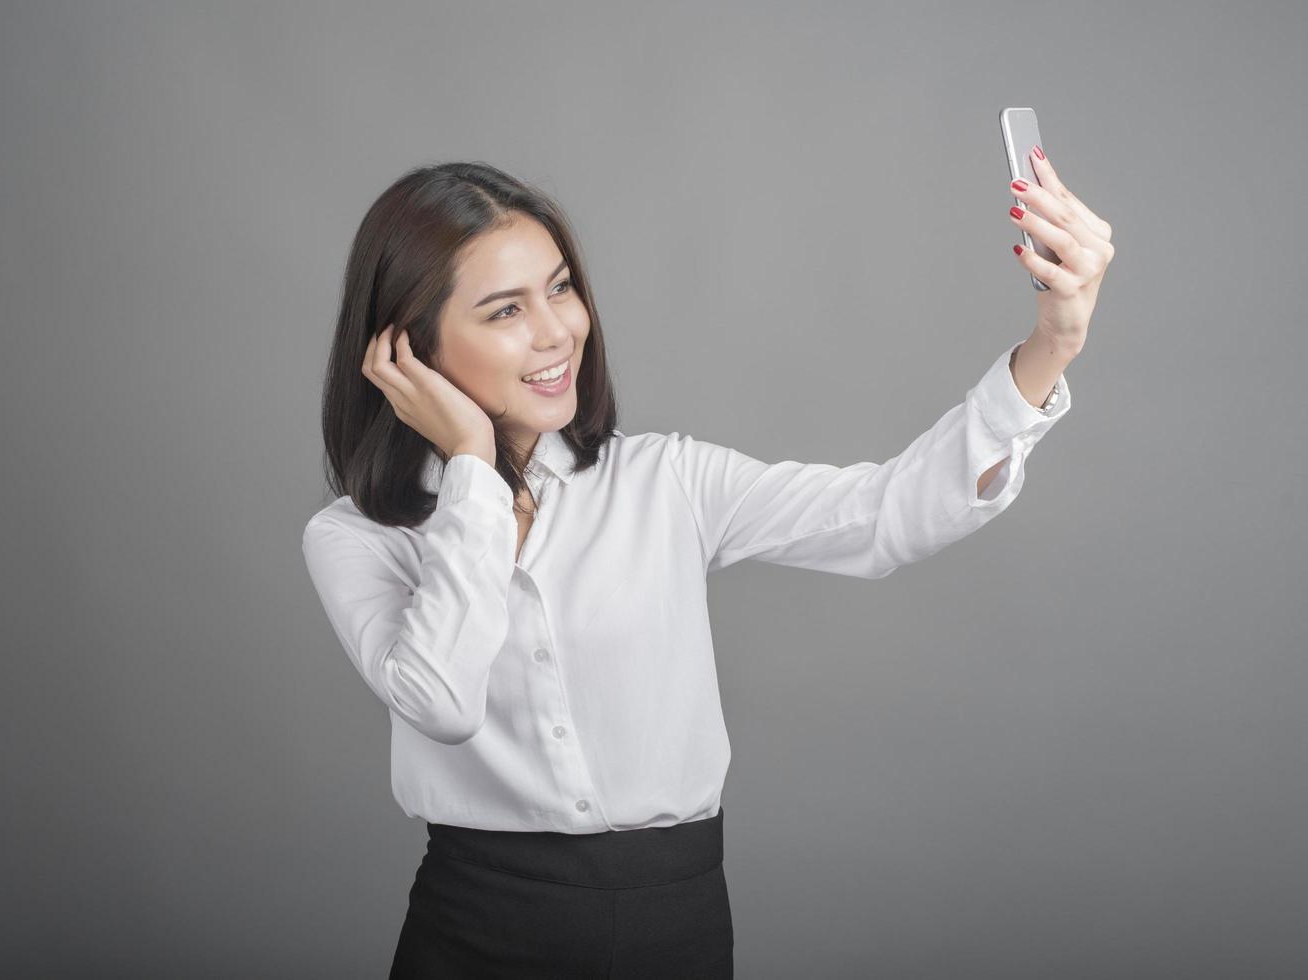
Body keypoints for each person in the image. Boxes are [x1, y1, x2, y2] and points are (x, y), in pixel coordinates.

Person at [302, 157, 1112, 978]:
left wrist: (1055, 342)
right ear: (405, 348)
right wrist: (472, 464)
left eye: (560, 288)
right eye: (506, 309)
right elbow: (441, 702)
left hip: (674, 924)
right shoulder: (357, 538)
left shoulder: (668, 480)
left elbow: (887, 515)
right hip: (475, 927)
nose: (556, 332)